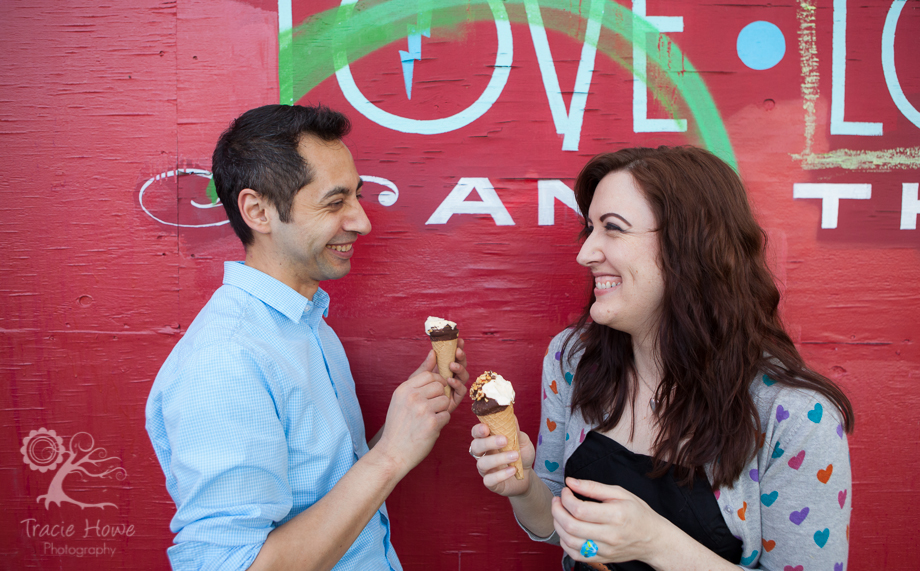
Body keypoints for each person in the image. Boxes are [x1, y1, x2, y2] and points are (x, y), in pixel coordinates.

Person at [469, 146, 853, 570]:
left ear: (690, 248)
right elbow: (564, 531)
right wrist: (524, 489)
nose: (586, 253)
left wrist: (655, 543)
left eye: (613, 229)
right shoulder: (573, 359)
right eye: (589, 229)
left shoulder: (795, 416)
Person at [145, 104, 469, 571]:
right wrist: (391, 457)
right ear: (258, 211)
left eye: (356, 197)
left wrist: (409, 422)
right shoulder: (224, 360)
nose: (362, 221)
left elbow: (326, 487)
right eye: (335, 203)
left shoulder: (306, 325)